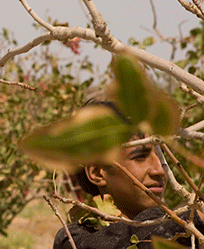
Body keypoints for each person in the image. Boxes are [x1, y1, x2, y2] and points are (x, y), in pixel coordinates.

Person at [53, 101, 203, 249]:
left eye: (161, 156)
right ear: (98, 173)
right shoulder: (72, 239)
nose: (160, 170)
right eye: (140, 157)